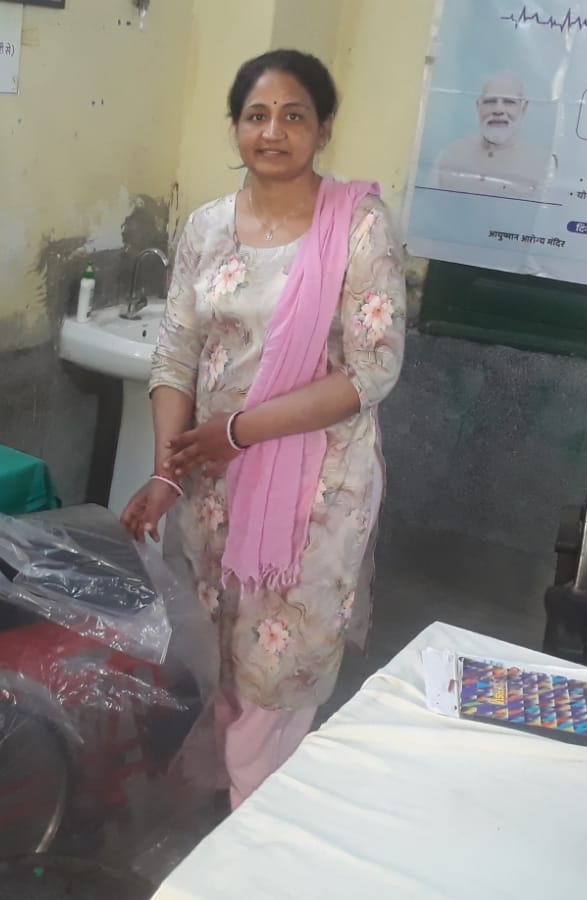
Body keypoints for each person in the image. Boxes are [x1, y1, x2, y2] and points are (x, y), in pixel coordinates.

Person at [120, 50, 406, 809]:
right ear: (236, 126)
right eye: (256, 115)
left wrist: (240, 432)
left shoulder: (359, 226)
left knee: (276, 668)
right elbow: (176, 354)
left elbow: (372, 370)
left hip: (318, 489)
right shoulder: (208, 226)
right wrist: (166, 471)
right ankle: (232, 801)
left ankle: (259, 826)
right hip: (212, 484)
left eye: (293, 116)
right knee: (216, 647)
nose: (273, 132)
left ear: (324, 129)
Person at [433, 73, 554, 199]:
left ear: (523, 108)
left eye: (509, 102)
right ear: (478, 106)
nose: (498, 110)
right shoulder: (449, 156)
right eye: (490, 101)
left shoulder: (544, 165)